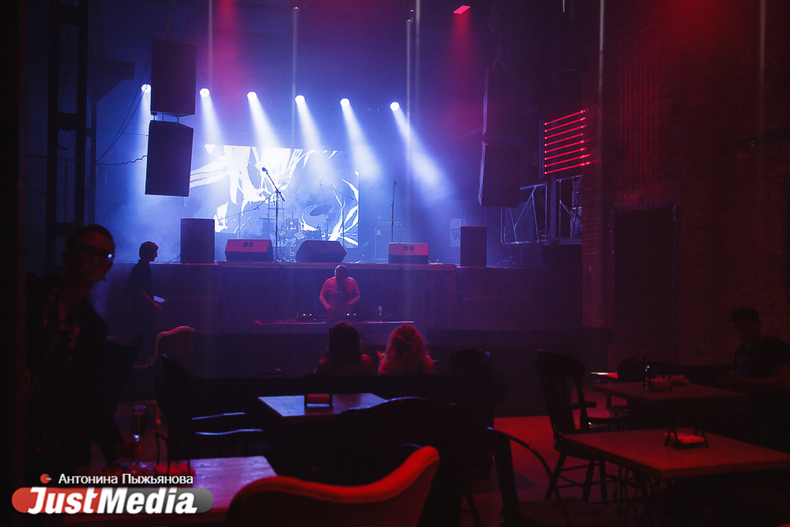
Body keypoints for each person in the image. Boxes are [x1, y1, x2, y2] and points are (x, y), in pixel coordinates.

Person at [25, 224, 138, 482]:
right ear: (67, 256)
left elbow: (89, 393)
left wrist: (115, 445)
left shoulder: (93, 327)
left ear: (108, 266)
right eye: (88, 250)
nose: (95, 259)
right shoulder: (30, 293)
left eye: (103, 254)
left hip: (57, 448)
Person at [712, 306, 790, 442]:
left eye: (745, 327)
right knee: (694, 416)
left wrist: (744, 383)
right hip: (742, 404)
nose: (741, 334)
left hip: (766, 408)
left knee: (715, 421)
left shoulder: (774, 346)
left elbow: (786, 381)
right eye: (737, 330)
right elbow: (736, 381)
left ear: (758, 324)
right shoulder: (740, 351)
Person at [126, 241, 163, 348]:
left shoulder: (141, 267)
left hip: (140, 308)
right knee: (142, 336)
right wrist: (153, 304)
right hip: (141, 310)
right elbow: (139, 291)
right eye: (154, 252)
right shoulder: (143, 268)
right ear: (148, 253)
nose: (156, 255)